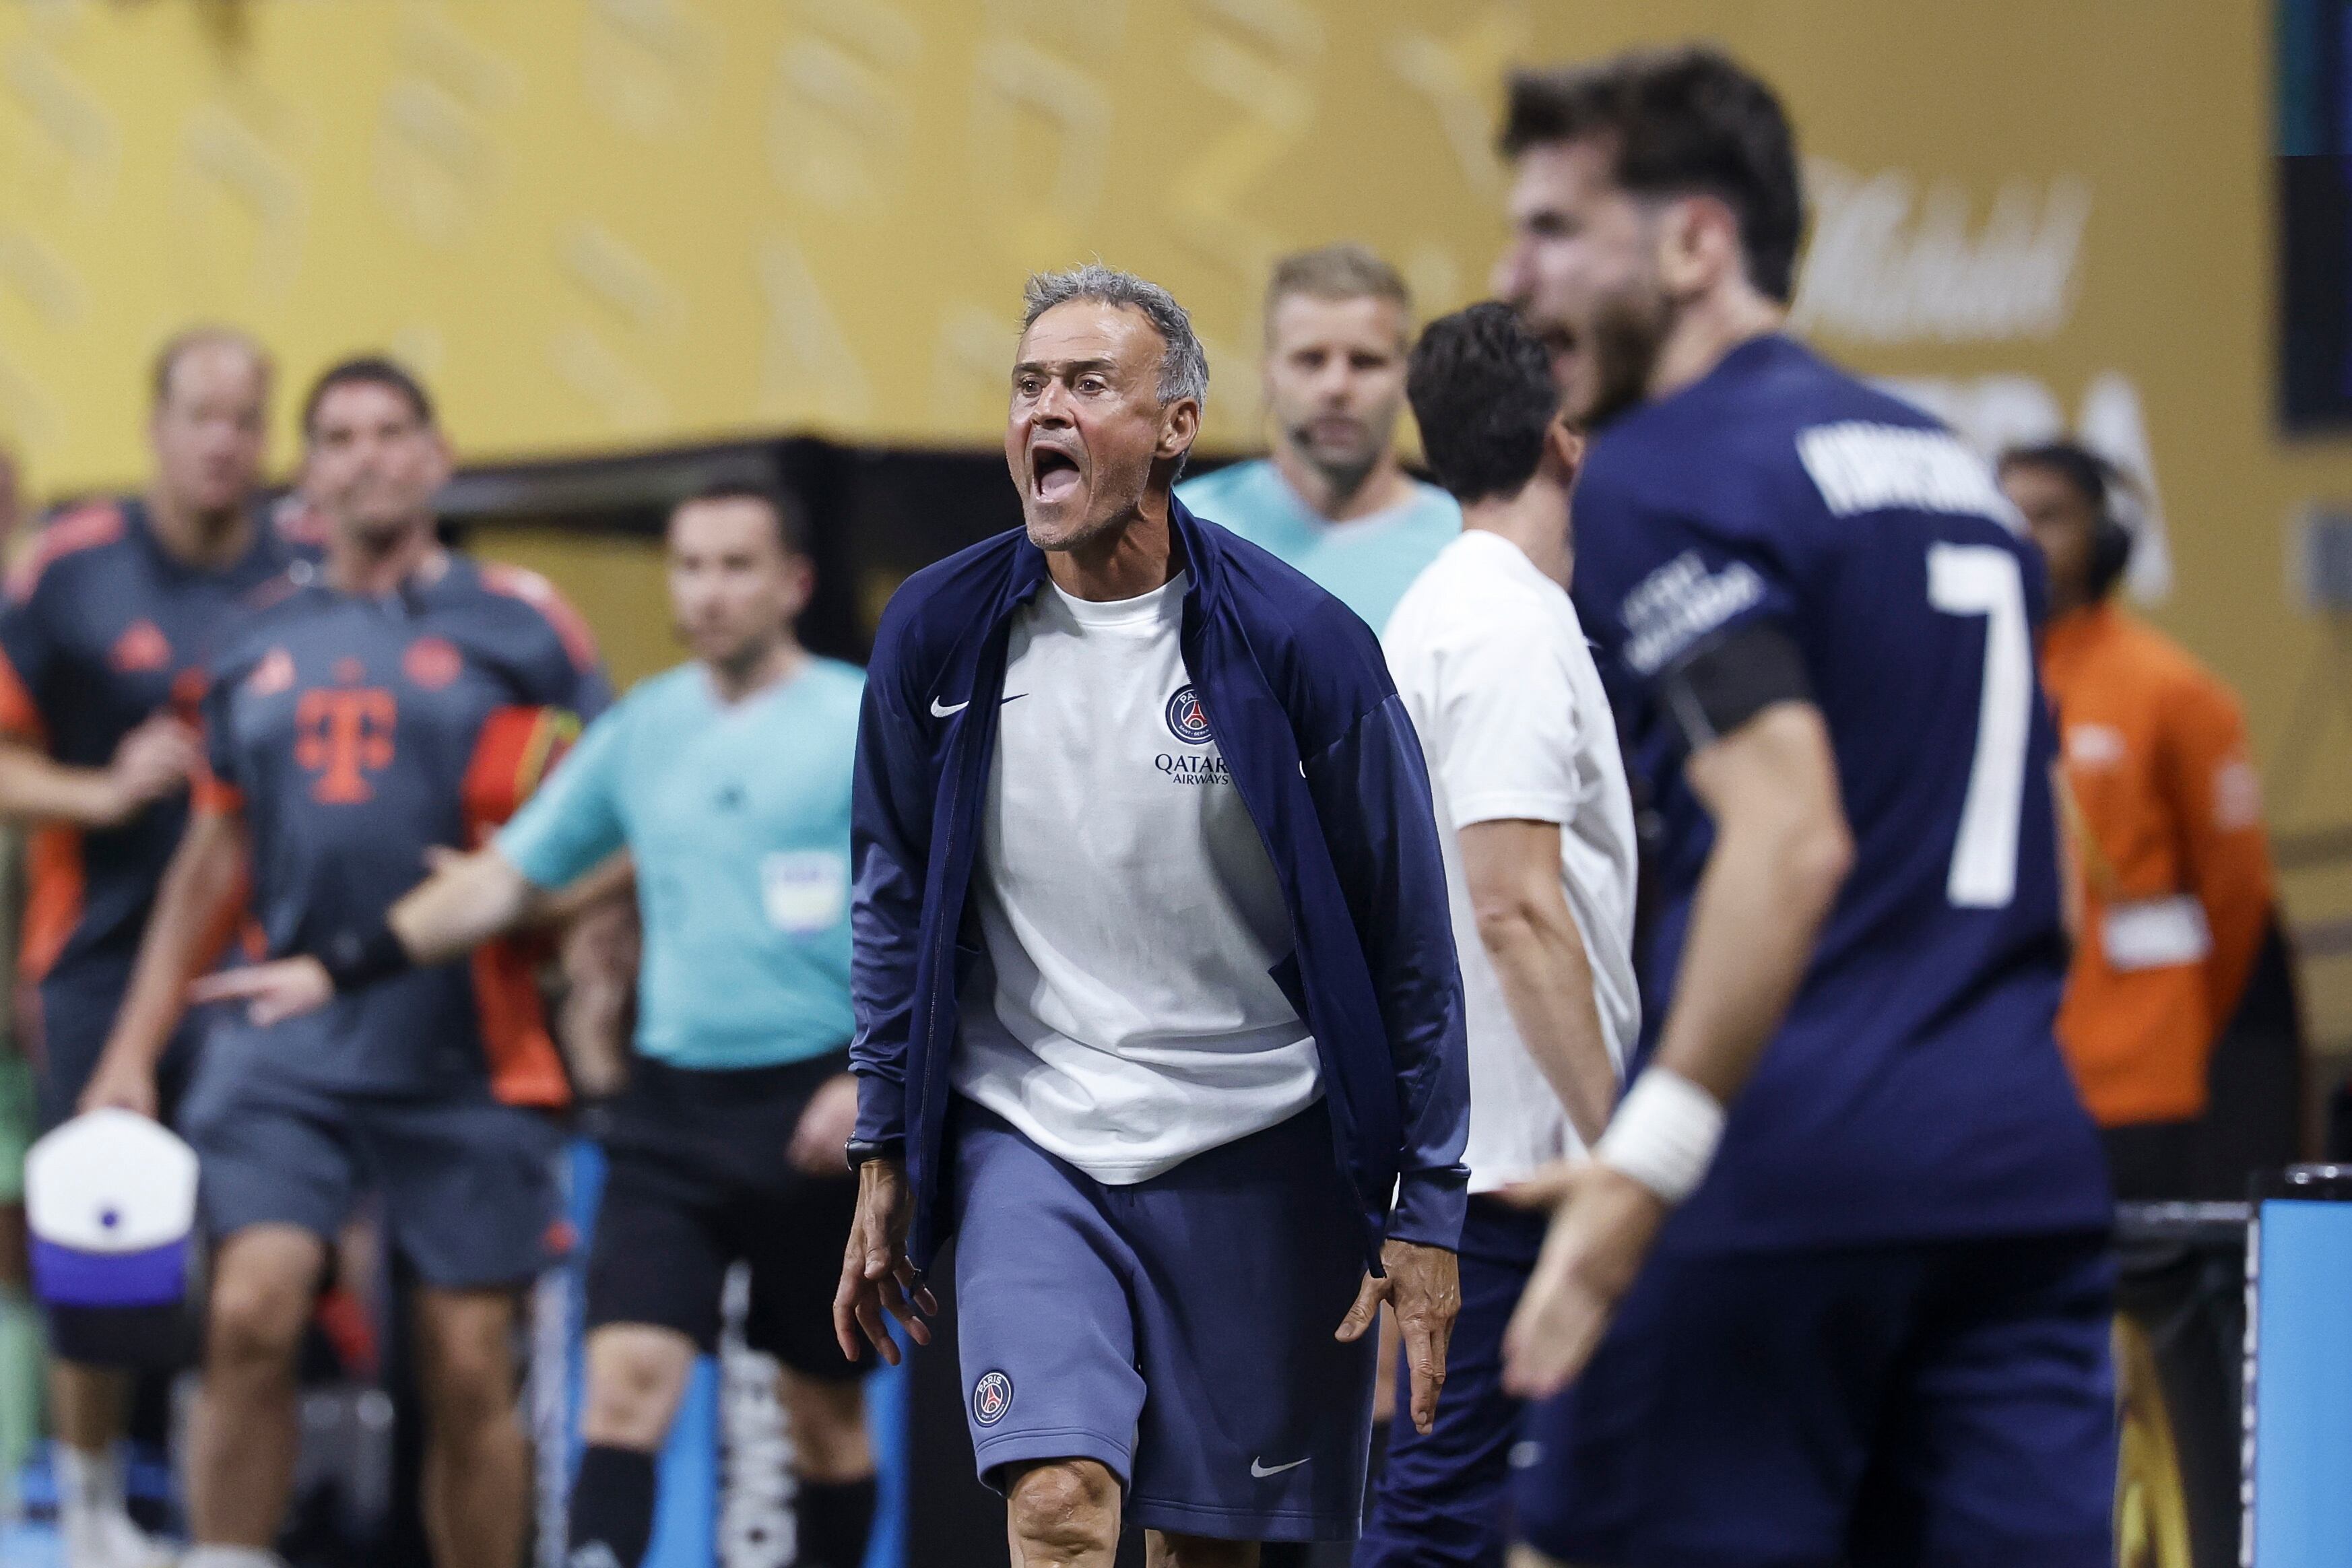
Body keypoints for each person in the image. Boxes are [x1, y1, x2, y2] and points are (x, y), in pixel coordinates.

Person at [1491, 47, 2116, 1567]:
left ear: (1696, 242)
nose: (1513, 280)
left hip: (1781, 1193)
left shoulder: (1665, 473)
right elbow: (2066, 861)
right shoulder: (1950, 473)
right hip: (2017, 1180)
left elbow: (1791, 833)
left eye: (1557, 231)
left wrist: (1651, 1159)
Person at [836, 263, 1468, 1565]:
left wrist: (1425, 1204)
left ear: (1175, 427)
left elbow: (1407, 934)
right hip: (1032, 1131)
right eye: (1027, 385)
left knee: (1204, 1548)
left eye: (1085, 384)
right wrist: (884, 1141)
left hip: (1258, 1142)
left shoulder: (1303, 646)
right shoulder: (938, 631)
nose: (1044, 410)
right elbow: (892, 895)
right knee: (1056, 1500)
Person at [199, 481, 882, 1568]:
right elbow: (504, 880)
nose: (707, 591)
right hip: (669, 1112)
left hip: (818, 1102)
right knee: (625, 1391)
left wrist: (873, 1077)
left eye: (735, 565)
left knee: (822, 1419)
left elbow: (945, 905)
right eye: (689, 566)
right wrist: (334, 968)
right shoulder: (643, 727)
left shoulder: (863, 714)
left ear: (792, 582)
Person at [80, 357, 611, 1568]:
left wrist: (557, 920)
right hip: (286, 1046)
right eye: (337, 436)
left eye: (389, 432)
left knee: (471, 1365)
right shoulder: (252, 638)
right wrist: (128, 1053)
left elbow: (609, 812)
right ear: (307, 472)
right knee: (251, 1312)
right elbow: (212, 859)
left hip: (469, 1047)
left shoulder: (525, 622)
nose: (366, 454)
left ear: (436, 455)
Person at [0, 329, 296, 1568]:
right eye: (200, 415)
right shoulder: (67, 569)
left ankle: (219, 1527)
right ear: (155, 426)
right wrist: (98, 790)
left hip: (260, 966)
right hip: (97, 960)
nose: (222, 440)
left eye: (244, 417)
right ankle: (87, 1509)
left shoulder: (306, 568)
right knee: (97, 1247)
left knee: (252, 1266)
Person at [1360, 302, 1634, 1568]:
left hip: (1498, 1163)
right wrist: (1626, 1151)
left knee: (1484, 1522)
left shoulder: (1461, 607)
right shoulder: (1503, 625)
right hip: (1520, 1174)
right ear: (1568, 440)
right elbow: (1514, 906)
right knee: (1438, 1524)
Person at [2000, 441, 2276, 1199]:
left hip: (2136, 1074)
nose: (2022, 536)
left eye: (2049, 516)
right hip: (2002, 1072)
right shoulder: (1971, 680)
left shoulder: (2173, 691)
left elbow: (2234, 892)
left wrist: (2171, 1020)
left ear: (2105, 536)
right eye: (2006, 515)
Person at [1176, 244, 1459, 632]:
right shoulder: (1185, 532)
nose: (1336, 386)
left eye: (1365, 361)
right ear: (1269, 372)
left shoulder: (1461, 546)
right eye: (1311, 359)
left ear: (1407, 377)